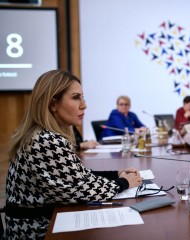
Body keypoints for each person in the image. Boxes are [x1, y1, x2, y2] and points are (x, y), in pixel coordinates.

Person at [3, 70, 143, 239]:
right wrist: (124, 183)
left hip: (42, 221)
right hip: (36, 230)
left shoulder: (43, 135)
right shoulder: (46, 140)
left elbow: (76, 176)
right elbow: (81, 190)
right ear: (52, 104)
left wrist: (116, 174)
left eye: (82, 97)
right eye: (76, 97)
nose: (84, 105)